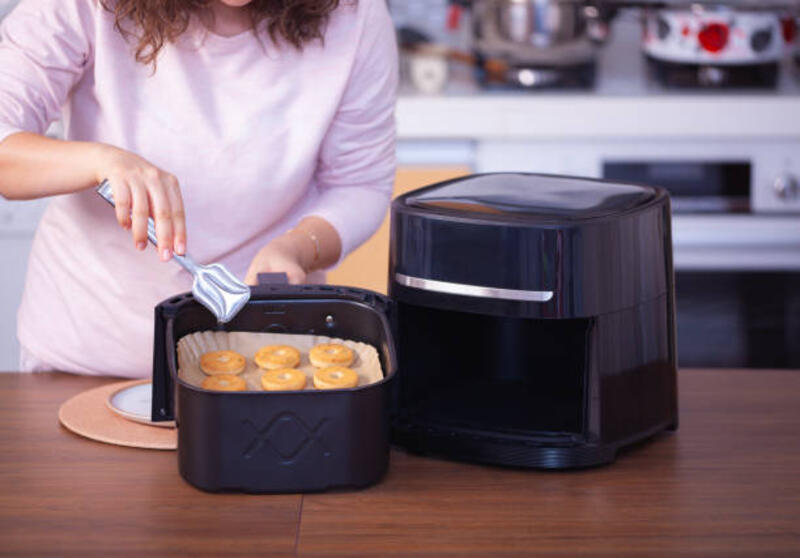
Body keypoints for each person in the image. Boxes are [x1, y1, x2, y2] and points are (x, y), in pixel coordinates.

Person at [0, 0, 398, 377]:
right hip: (85, 358)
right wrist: (98, 162)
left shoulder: (353, 14)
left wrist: (297, 248)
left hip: (264, 360)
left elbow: (358, 184)